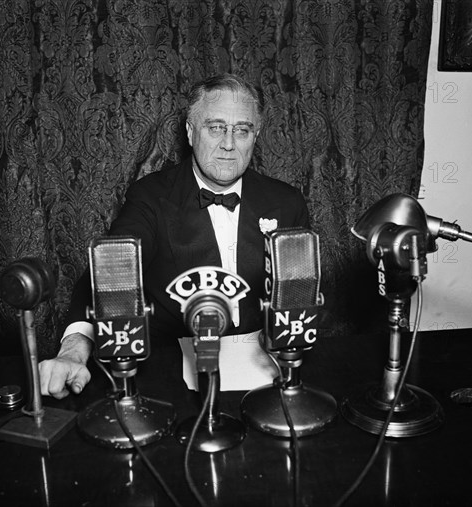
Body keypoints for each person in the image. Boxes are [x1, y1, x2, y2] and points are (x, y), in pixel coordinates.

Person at [39, 73, 310, 399]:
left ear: (256, 135)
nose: (228, 143)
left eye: (242, 130)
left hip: (265, 374)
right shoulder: (151, 196)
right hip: (171, 377)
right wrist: (75, 347)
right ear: (190, 132)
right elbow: (110, 268)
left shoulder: (287, 201)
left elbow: (302, 294)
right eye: (215, 127)